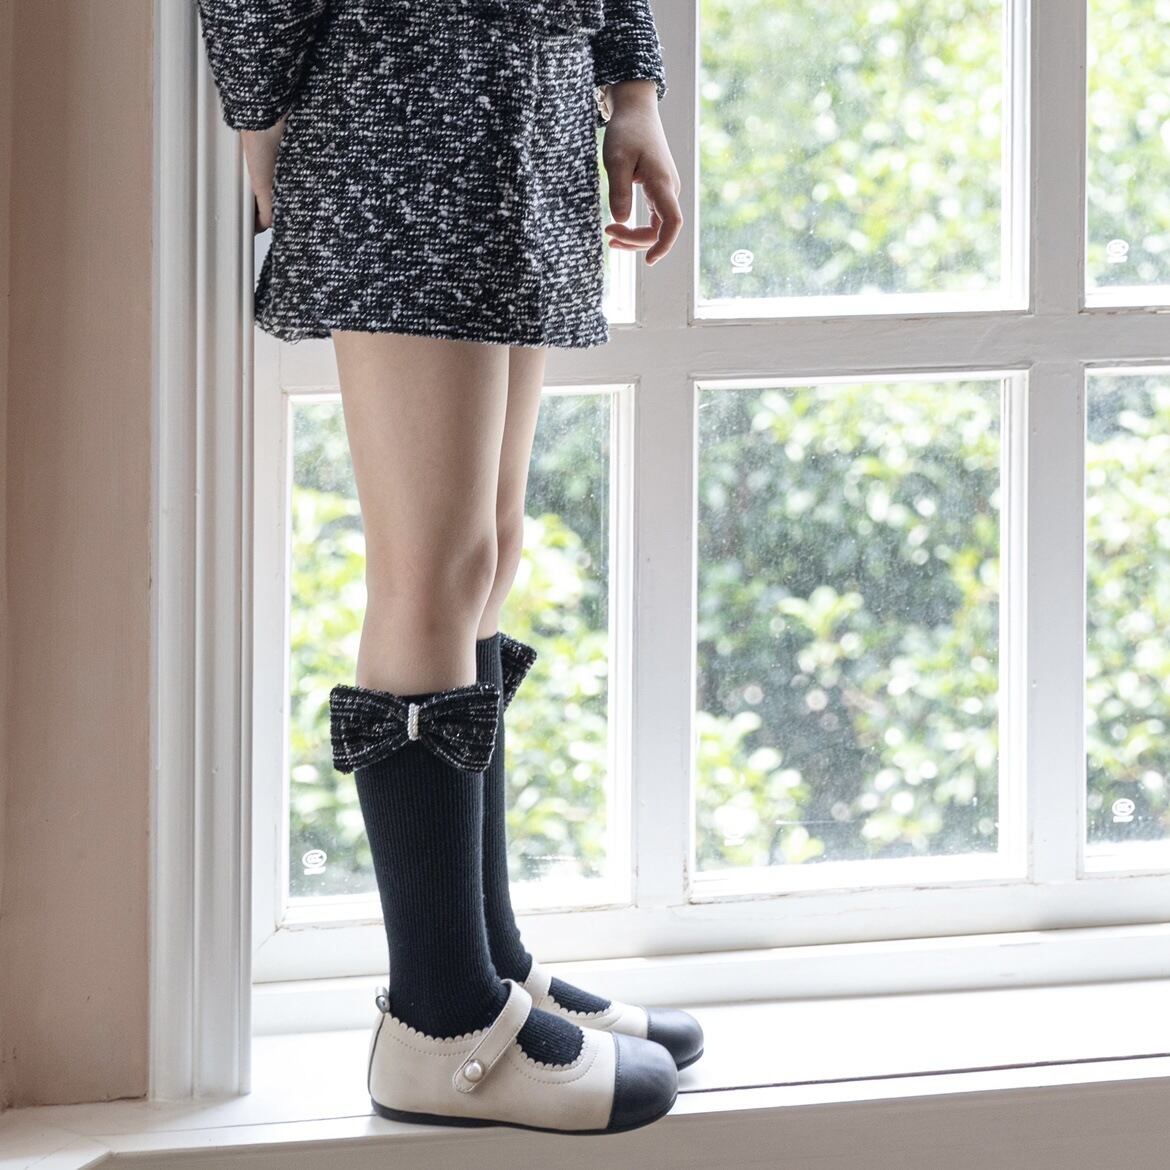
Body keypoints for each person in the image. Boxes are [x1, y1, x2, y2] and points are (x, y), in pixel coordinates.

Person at [195, 0, 699, 1135]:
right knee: (431, 568)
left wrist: (631, 93)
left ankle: (489, 970)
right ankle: (439, 1020)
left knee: (487, 550)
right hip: (403, 107)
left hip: (533, 106)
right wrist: (260, 118)